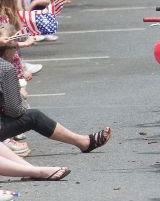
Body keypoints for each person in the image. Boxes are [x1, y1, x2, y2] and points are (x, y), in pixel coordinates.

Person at [1, 23, 111, 154]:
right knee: (33, 116)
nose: (17, 53)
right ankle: (84, 142)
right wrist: (19, 94)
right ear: (10, 48)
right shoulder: (6, 69)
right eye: (16, 47)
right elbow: (14, 111)